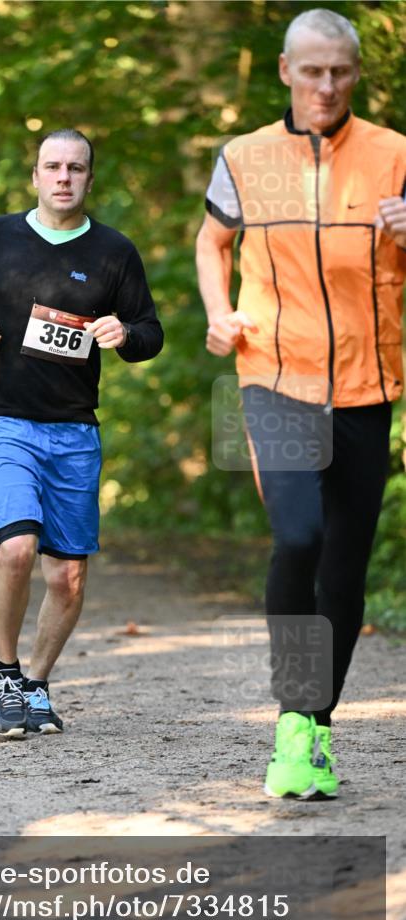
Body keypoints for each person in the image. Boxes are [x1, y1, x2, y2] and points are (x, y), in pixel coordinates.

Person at [196, 8, 406, 798]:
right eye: (311, 71)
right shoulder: (244, 156)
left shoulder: (394, 156)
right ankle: (291, 717)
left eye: (340, 72)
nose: (325, 86)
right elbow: (211, 242)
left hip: (368, 383)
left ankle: (315, 727)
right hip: (273, 375)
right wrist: (219, 312)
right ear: (284, 71)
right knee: (297, 537)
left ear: (356, 75)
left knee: (345, 571)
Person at [0, 128, 164, 739]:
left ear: (90, 179)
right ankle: (4, 674)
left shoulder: (115, 252)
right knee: (16, 547)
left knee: (66, 575)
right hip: (0, 417)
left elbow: (151, 331)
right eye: (53, 166)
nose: (64, 176)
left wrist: (127, 334)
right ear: (35, 176)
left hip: (72, 429)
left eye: (76, 167)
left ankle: (37, 684)